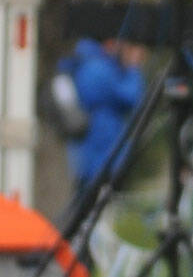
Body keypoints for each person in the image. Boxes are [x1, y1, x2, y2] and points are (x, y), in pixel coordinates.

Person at [59, 38, 147, 194]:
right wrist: (133, 67)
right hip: (99, 155)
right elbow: (132, 96)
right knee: (94, 203)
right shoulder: (98, 68)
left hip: (90, 155)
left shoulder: (88, 63)